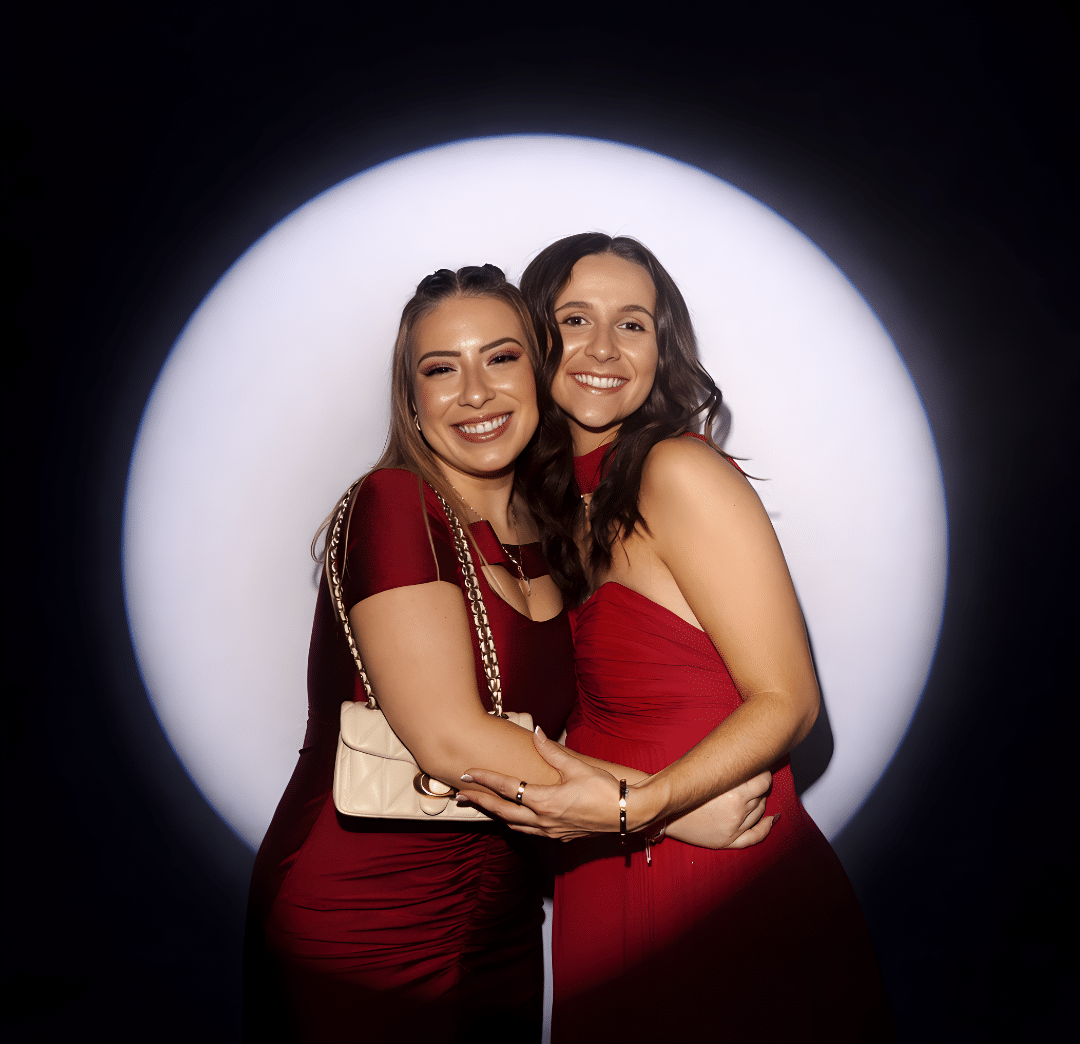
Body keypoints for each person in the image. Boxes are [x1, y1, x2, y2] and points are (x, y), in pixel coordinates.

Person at [244, 264, 774, 1043]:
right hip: (362, 917)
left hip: (502, 918)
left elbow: (554, 728)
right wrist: (666, 808)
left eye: (500, 358)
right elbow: (451, 739)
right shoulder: (395, 504)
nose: (476, 393)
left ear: (539, 369)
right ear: (413, 403)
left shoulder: (548, 530)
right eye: (440, 370)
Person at [458, 235, 893, 1041]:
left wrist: (644, 807)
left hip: (718, 871)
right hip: (606, 868)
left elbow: (790, 702)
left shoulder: (679, 473)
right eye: (576, 318)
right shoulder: (552, 508)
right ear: (536, 338)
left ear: (663, 349)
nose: (603, 349)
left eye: (634, 325)